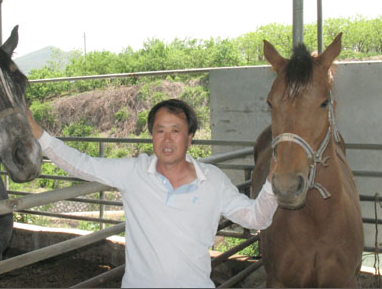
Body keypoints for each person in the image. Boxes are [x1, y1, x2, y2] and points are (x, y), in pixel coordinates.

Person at [27, 99, 277, 288]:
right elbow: (81, 163)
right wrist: (38, 133)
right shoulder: (133, 172)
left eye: (176, 131)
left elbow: (256, 218)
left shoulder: (213, 180)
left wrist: (274, 183)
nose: (167, 139)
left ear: (190, 137)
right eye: (160, 130)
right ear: (152, 135)